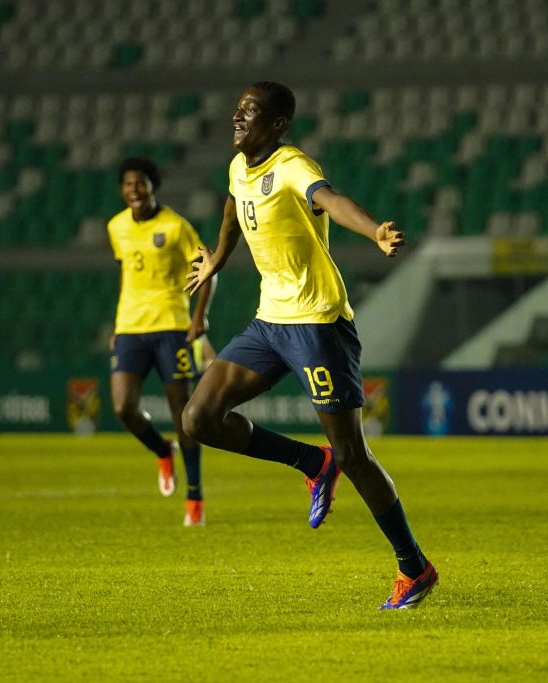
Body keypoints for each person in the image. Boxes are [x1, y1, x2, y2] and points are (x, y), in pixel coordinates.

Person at [181, 81, 437, 609]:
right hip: (269, 322)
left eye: (249, 113)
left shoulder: (293, 165)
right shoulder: (237, 167)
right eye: (237, 109)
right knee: (198, 418)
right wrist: (218, 260)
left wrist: (373, 232)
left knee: (354, 452)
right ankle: (311, 463)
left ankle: (414, 567)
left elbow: (333, 201)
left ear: (275, 125)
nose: (237, 117)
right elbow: (233, 210)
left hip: (318, 323)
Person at [107, 156, 215, 527]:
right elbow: (126, 275)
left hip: (171, 327)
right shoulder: (116, 226)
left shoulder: (174, 226)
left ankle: (195, 496)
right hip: (130, 328)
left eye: (140, 183)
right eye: (128, 184)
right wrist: (117, 325)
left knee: (184, 416)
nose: (134, 190)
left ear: (152, 186)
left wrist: (199, 317)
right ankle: (161, 449)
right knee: (123, 407)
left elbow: (208, 268)